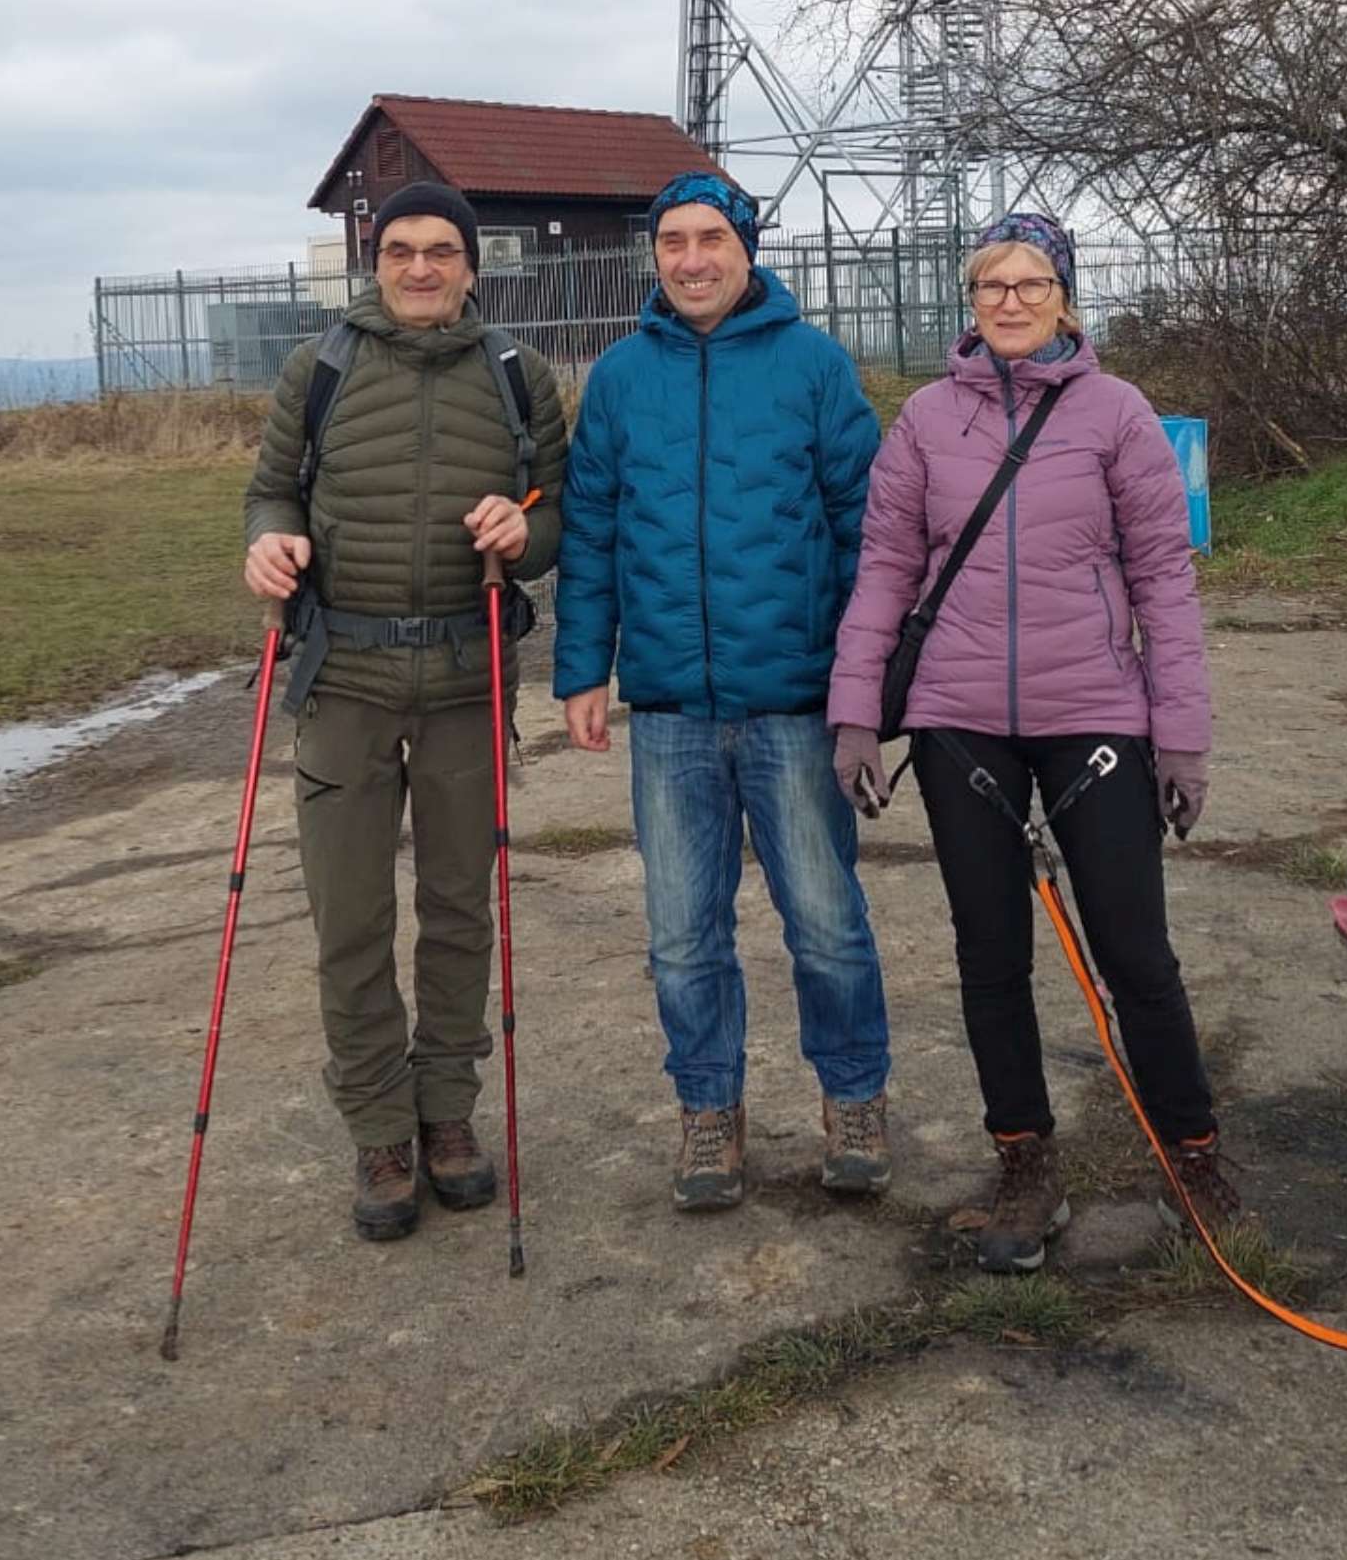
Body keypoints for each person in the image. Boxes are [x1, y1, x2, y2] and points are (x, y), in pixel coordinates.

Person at [827, 210, 1233, 1274]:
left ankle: (1192, 1152)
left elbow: (1164, 582)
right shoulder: (924, 420)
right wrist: (856, 711)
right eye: (992, 285)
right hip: (959, 724)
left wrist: (1181, 739)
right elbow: (885, 571)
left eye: (1032, 283)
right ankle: (1024, 1160)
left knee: (1134, 950)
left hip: (1096, 717)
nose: (1010, 302)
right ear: (971, 300)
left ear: (1064, 297)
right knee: (990, 954)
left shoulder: (1118, 415)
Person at [553, 171, 891, 1211]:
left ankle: (854, 1097)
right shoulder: (619, 378)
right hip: (670, 712)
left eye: (711, 239)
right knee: (681, 936)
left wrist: (865, 679)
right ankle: (709, 1110)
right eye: (673, 242)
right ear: (654, 255)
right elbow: (591, 532)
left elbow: (868, 530)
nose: (692, 260)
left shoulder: (814, 365)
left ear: (747, 249)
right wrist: (584, 669)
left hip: (794, 702)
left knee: (825, 923)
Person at [244, 180, 567, 1241]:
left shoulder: (517, 376)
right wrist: (269, 541)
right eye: (399, 251)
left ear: (472, 268)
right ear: (374, 262)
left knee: (460, 910)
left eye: (441, 251)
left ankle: (447, 1114)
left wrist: (525, 533)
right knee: (351, 919)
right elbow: (271, 490)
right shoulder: (319, 367)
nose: (420, 268)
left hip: (468, 681)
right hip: (343, 680)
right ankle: (380, 1129)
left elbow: (556, 514)